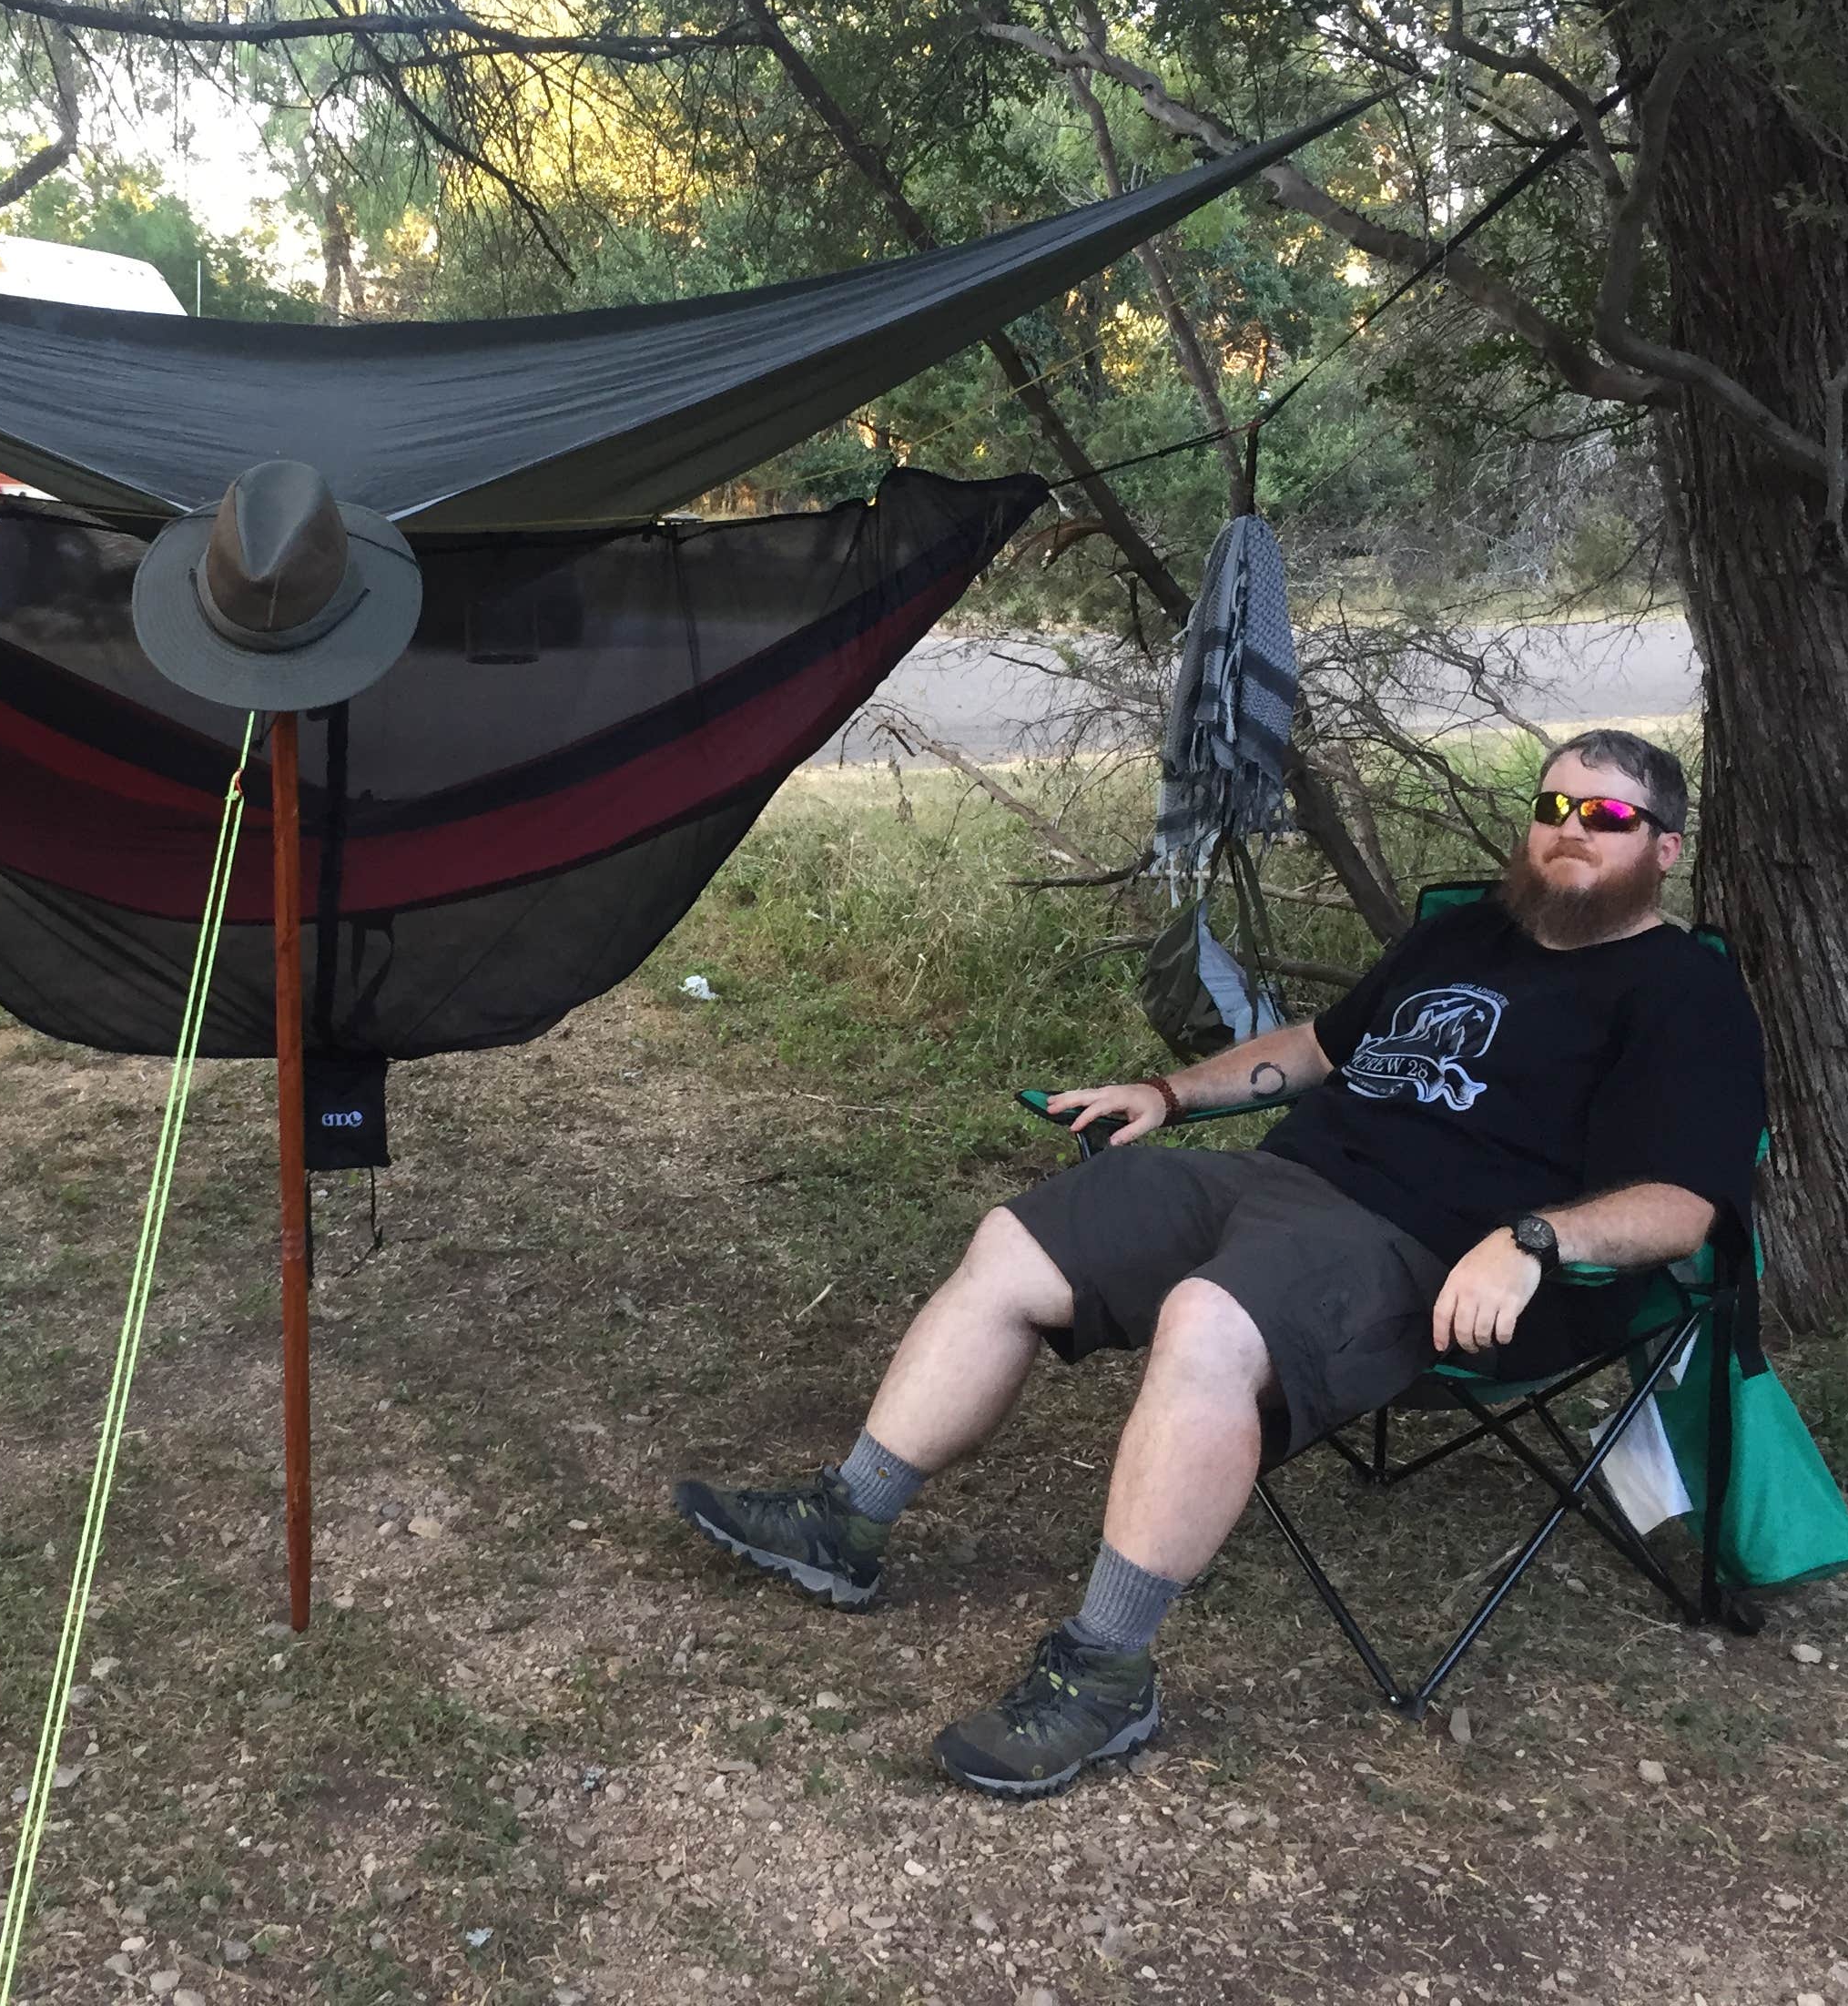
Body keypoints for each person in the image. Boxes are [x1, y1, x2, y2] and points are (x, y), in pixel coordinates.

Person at [672, 728, 1767, 1799]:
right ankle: (847, 1519)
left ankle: (1105, 1674)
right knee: (1019, 1242)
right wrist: (1169, 1093)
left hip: (1437, 1252)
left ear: (1664, 846)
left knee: (1208, 1321)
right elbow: (1319, 1048)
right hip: (1277, 1182)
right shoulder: (1470, 932)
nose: (1570, 831)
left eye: (1607, 815)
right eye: (1554, 807)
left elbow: (1683, 1208)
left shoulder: (1684, 992)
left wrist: (1536, 1239)